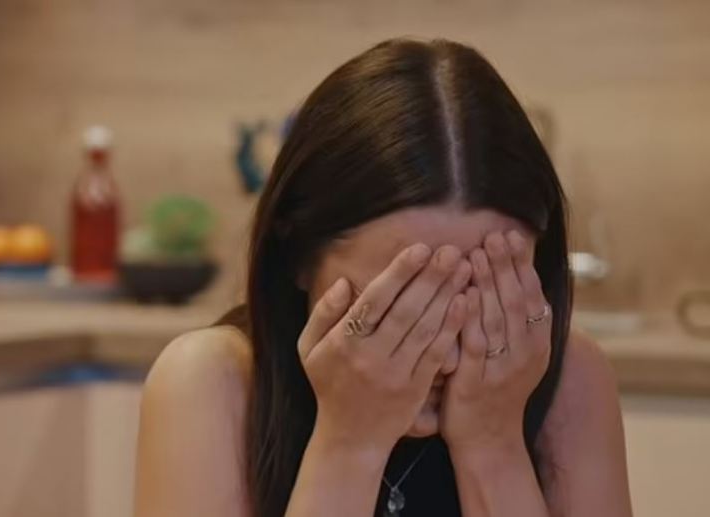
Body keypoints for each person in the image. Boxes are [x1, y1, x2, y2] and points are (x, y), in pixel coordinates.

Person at [133, 38, 632, 517]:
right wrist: (349, 444)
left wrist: (493, 444)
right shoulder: (211, 383)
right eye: (404, 302)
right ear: (298, 258)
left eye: (484, 296)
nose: (445, 351)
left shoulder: (572, 378)